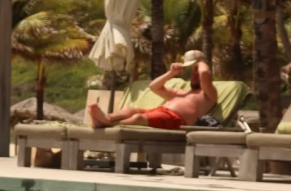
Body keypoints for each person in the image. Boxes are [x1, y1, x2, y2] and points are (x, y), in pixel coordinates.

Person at [88, 49, 217, 131]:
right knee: (130, 110)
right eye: (193, 74)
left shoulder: (208, 94)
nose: (195, 76)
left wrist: (200, 62)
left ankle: (106, 124)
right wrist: (171, 73)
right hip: (160, 112)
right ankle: (106, 118)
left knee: (138, 118)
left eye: (197, 74)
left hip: (176, 120)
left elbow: (204, 73)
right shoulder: (182, 93)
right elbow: (153, 86)